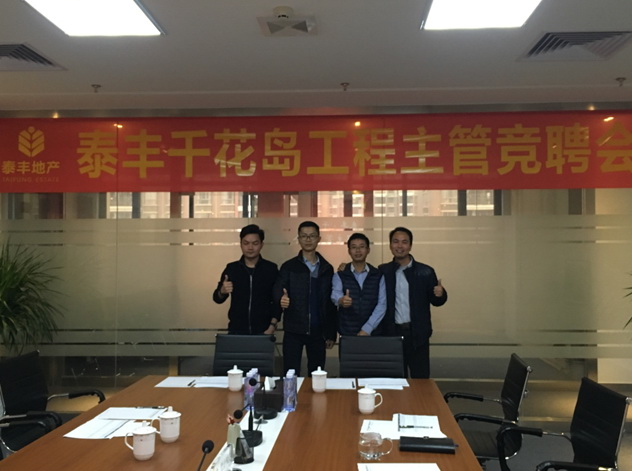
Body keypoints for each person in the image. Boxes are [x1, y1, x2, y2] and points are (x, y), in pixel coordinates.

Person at [379, 226, 447, 378]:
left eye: (404, 242)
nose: (400, 246)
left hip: (418, 335)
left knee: (421, 381)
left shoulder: (425, 272)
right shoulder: (383, 271)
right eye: (396, 241)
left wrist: (440, 294)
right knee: (395, 381)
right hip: (392, 335)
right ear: (390, 245)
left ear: (410, 245)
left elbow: (436, 301)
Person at [276, 221, 337, 376]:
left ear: (319, 238)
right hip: (294, 329)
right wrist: (281, 299)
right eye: (304, 236)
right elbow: (277, 290)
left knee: (317, 375)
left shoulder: (326, 268)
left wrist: (331, 332)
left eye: (312, 236)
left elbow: (330, 302)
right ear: (299, 239)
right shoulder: (289, 267)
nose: (308, 240)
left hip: (318, 331)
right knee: (290, 374)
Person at [212, 224, 280, 335]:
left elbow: (277, 301)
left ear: (261, 245)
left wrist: (272, 325)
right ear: (241, 244)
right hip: (236, 330)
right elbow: (217, 298)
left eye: (255, 243)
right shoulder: (232, 268)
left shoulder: (271, 269)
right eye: (246, 243)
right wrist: (222, 291)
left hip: (264, 331)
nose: (250, 247)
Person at [331, 233, 386, 336]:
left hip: (373, 333)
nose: (358, 251)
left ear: (368, 250)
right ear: (349, 251)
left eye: (362, 247)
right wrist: (341, 300)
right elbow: (335, 294)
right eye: (354, 247)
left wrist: (367, 329)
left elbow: (382, 304)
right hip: (347, 332)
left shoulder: (378, 275)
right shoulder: (341, 274)